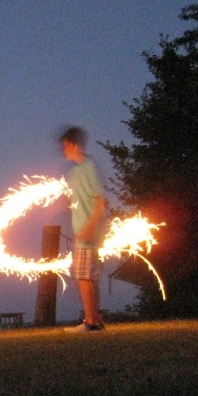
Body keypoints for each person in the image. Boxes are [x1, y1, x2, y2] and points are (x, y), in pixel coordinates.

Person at [59, 126, 107, 332]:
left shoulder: (88, 167)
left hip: (88, 232)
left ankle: (90, 323)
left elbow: (100, 202)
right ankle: (95, 319)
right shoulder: (74, 172)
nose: (63, 151)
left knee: (83, 277)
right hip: (83, 231)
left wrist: (89, 227)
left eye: (65, 146)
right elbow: (74, 199)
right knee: (89, 277)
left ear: (74, 144)